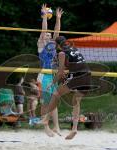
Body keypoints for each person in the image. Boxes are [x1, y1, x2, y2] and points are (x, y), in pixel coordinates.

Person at [41, 36, 91, 140]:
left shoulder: (62, 53)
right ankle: (74, 129)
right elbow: (72, 64)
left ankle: (46, 119)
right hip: (87, 75)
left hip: (78, 75)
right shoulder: (74, 49)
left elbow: (59, 73)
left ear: (57, 45)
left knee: (56, 94)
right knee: (75, 101)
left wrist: (52, 82)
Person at [37, 4, 63, 137]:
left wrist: (58, 18)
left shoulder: (53, 45)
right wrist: (45, 17)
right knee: (45, 103)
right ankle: (46, 127)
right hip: (44, 76)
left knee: (54, 101)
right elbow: (43, 30)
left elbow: (57, 32)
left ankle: (56, 127)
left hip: (52, 76)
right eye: (46, 35)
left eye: (49, 35)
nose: (48, 36)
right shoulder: (41, 44)